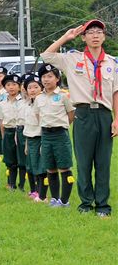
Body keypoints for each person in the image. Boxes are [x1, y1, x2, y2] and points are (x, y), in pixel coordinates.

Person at [41, 19, 118, 217]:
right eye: (90, 32)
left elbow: (116, 93)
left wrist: (116, 119)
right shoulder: (72, 58)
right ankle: (85, 203)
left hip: (104, 115)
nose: (95, 35)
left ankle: (102, 205)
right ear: (83, 37)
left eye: (98, 32)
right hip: (83, 114)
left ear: (103, 37)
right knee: (83, 162)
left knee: (103, 162)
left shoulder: (112, 63)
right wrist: (66, 38)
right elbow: (47, 55)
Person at [35, 63, 76, 208]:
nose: (46, 80)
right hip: (46, 135)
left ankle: (65, 201)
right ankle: (55, 199)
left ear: (57, 79)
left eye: (50, 76)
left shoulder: (64, 96)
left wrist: (62, 125)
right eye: (44, 77)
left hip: (60, 134)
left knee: (64, 168)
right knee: (50, 168)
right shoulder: (39, 98)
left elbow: (71, 115)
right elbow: (38, 116)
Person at [22, 74, 45, 202]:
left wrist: (43, 142)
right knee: (30, 166)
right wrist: (26, 144)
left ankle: (42, 194)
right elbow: (27, 125)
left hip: (39, 138)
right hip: (29, 138)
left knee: (40, 167)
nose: (33, 90)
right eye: (30, 87)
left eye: (36, 87)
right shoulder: (28, 104)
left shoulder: (42, 104)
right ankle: (33, 191)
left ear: (41, 88)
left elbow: (43, 124)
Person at [0, 74, 24, 190]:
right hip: (8, 131)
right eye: (8, 85)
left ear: (19, 87)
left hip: (19, 131)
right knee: (10, 160)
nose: (11, 87)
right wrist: (3, 135)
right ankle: (11, 184)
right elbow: (1, 120)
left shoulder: (23, 101)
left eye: (14, 84)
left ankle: (22, 185)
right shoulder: (2, 100)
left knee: (21, 160)